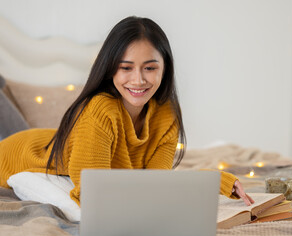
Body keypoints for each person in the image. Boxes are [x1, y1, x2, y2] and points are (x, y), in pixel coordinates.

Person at [0, 16, 254, 206]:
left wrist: (215, 182)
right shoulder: (99, 110)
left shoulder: (167, 114)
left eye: (150, 68)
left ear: (165, 69)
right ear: (111, 69)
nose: (138, 80)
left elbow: (156, 184)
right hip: (14, 155)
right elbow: (93, 195)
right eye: (126, 67)